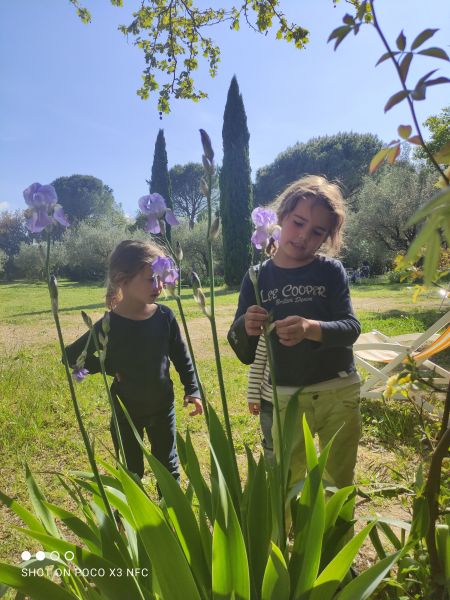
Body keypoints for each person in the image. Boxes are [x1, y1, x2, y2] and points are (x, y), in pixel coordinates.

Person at [228, 175, 361, 492]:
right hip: (285, 398)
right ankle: (292, 539)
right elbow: (244, 352)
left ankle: (332, 538)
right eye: (298, 222)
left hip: (338, 392)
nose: (303, 236)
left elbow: (350, 329)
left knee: (338, 482)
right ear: (280, 218)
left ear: (327, 237)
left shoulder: (330, 271)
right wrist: (246, 326)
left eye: (317, 232)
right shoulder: (256, 277)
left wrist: (310, 329)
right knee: (288, 482)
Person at [65, 240, 202, 482]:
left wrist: (193, 389)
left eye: (161, 278)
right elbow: (71, 356)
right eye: (151, 279)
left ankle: (170, 518)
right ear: (122, 279)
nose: (159, 286)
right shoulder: (109, 325)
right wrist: (108, 366)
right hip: (125, 413)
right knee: (131, 472)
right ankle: (130, 518)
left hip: (163, 407)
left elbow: (181, 356)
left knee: (168, 468)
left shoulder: (164, 316)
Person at [247, 335, 274, 462]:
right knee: (271, 442)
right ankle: (273, 477)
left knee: (295, 443)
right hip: (269, 402)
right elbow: (258, 364)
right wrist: (253, 396)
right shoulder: (268, 331)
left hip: (297, 401)